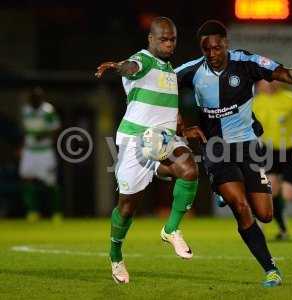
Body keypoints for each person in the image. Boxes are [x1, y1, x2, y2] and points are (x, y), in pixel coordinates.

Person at [175, 20, 292, 287]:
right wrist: (181, 126)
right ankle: (270, 269)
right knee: (240, 206)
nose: (212, 54)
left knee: (265, 214)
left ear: (227, 43)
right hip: (216, 148)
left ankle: (229, 191)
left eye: (217, 47)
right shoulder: (191, 71)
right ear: (201, 49)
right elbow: (160, 87)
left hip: (248, 146)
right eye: (207, 49)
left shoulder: (245, 62)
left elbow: (285, 74)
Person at [95, 17, 206, 284]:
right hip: (135, 143)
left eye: (173, 39)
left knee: (189, 170)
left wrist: (183, 128)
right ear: (151, 39)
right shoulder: (143, 60)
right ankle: (116, 255)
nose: (169, 44)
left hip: (163, 140)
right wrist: (118, 66)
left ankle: (171, 229)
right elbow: (131, 67)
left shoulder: (169, 70)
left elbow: (166, 108)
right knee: (127, 208)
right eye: (163, 39)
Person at [252, 80, 292, 240]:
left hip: (290, 149)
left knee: (288, 194)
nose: (268, 85)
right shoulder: (254, 102)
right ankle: (275, 228)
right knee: (270, 189)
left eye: (271, 81)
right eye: (264, 83)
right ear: (258, 86)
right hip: (268, 150)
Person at [19, 87, 62, 222]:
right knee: (27, 179)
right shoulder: (25, 110)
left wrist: (43, 135)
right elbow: (25, 129)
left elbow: (56, 128)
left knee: (50, 183)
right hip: (29, 150)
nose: (35, 100)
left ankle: (56, 212)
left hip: (44, 150)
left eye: (38, 97)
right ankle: (33, 211)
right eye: (33, 98)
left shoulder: (47, 110)